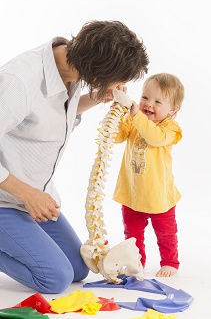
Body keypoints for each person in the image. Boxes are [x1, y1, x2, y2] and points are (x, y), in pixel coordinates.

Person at [0, 20, 149, 293]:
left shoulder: (74, 68)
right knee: (54, 278)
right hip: (6, 198)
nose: (122, 85)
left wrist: (95, 98)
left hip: (34, 195)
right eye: (119, 79)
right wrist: (28, 195)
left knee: (78, 270)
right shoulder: (18, 81)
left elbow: (50, 116)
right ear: (97, 69)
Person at [113, 73, 184, 277]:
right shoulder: (135, 121)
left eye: (157, 101)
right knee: (132, 234)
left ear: (172, 109)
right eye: (145, 97)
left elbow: (154, 138)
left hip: (159, 196)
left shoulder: (170, 128)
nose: (148, 104)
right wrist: (118, 113)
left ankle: (170, 261)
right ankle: (137, 262)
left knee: (166, 233)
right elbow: (117, 137)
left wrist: (137, 116)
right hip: (132, 194)